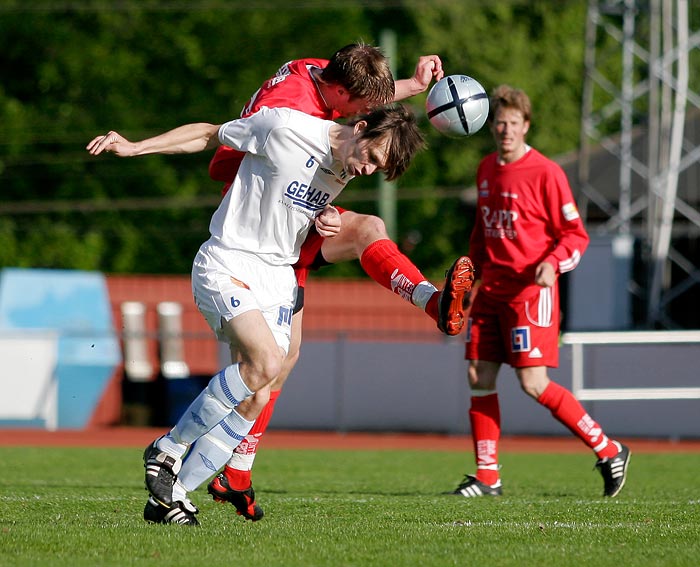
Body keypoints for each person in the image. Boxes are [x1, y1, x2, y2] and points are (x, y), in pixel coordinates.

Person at [87, 103, 428, 524]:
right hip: (228, 260)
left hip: (277, 276)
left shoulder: (345, 164)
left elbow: (292, 199)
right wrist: (137, 147)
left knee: (257, 397)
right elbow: (210, 134)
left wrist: (322, 216)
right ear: (359, 129)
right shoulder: (283, 126)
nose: (369, 170)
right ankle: (167, 450)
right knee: (264, 361)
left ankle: (170, 496)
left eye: (380, 168)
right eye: (373, 157)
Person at [199, 43, 474, 522]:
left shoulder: (317, 75)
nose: (365, 115)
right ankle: (184, 459)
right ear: (342, 92)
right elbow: (265, 152)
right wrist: (308, 201)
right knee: (266, 367)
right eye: (363, 107)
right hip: (260, 228)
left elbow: (360, 105)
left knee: (288, 353)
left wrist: (415, 87)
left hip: (293, 218)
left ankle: (433, 302)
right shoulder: (293, 110)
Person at [448, 85, 631, 499]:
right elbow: (482, 231)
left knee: (533, 383)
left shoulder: (547, 172)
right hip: (491, 291)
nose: (505, 130)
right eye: (499, 123)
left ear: (526, 126)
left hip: (531, 293)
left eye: (512, 124)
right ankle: (488, 477)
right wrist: (471, 276)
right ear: (490, 125)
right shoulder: (485, 169)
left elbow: (575, 234)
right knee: (479, 375)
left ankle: (609, 449)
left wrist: (554, 263)